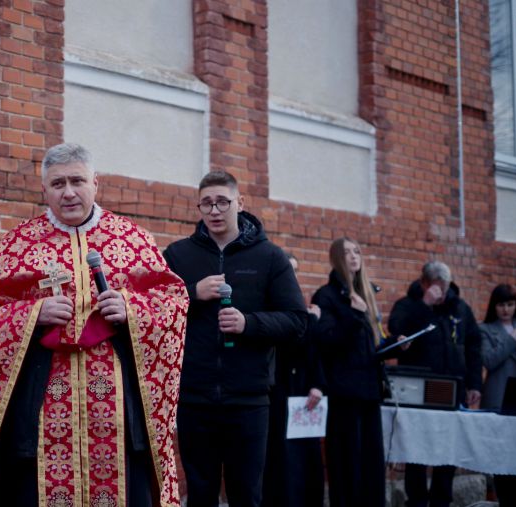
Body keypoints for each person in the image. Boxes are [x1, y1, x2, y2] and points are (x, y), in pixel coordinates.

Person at [0, 143, 189, 507]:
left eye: (77, 181)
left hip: (118, 412)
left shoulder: (132, 239)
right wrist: (31, 314)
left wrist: (131, 308)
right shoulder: (19, 244)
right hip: (39, 408)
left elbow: (174, 302)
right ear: (44, 190)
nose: (69, 192)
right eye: (58, 184)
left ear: (95, 183)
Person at [163, 171, 308, 507]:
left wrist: (249, 323)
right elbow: (153, 309)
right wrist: (191, 293)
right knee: (200, 493)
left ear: (240, 203)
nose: (214, 211)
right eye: (207, 203)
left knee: (245, 494)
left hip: (248, 399)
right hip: (194, 397)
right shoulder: (179, 255)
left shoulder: (269, 257)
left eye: (223, 202)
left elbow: (297, 321)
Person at [312, 237, 404, 507]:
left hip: (369, 392)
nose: (354, 256)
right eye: (347, 252)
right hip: (343, 393)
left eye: (357, 251)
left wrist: (394, 345)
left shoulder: (366, 295)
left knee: (371, 463)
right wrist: (353, 316)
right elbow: (326, 340)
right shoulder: (326, 296)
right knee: (346, 463)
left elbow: (368, 348)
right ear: (336, 259)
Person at [388, 261, 483, 507]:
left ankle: (442, 500)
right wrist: (425, 305)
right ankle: (416, 500)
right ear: (424, 283)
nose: (441, 291)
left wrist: (474, 384)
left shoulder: (460, 308)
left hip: (453, 388)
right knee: (416, 448)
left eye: (445, 286)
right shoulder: (408, 305)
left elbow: (474, 346)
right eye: (435, 285)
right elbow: (396, 330)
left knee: (448, 447)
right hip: (419, 389)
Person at [261, 252, 326, 507]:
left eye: (295, 271)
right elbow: (289, 343)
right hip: (275, 390)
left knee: (303, 458)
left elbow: (313, 352)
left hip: (299, 391)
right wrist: (311, 322)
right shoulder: (269, 303)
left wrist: (318, 384)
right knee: (279, 458)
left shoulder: (300, 307)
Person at [479, 284, 516, 507]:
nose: (506, 309)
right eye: (501, 305)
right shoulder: (485, 329)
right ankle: (505, 499)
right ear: (494, 306)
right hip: (499, 398)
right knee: (502, 453)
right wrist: (511, 340)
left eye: (510, 304)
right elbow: (489, 360)